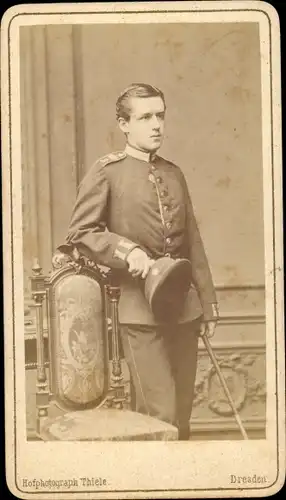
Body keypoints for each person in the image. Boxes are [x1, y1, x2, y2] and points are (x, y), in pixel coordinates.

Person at [54, 83, 219, 440]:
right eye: (145, 117)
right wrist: (128, 251)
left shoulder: (174, 173)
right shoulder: (107, 171)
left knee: (183, 419)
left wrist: (206, 304)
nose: (157, 124)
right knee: (160, 417)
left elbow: (193, 242)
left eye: (160, 115)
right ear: (123, 124)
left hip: (184, 309)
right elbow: (80, 232)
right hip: (138, 310)